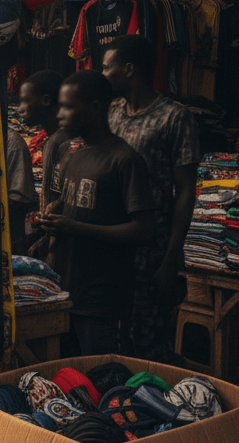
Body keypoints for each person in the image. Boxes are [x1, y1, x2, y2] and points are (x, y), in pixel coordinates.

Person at [37, 71, 154, 356]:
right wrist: (55, 214)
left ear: (96, 107)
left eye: (68, 106)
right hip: (66, 293)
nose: (60, 114)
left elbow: (144, 230)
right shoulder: (73, 157)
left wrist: (75, 227)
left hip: (103, 299)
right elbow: (79, 206)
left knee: (103, 378)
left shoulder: (124, 160)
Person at [102, 35, 200, 362]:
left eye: (107, 67)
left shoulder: (174, 117)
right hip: (115, 246)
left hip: (154, 250)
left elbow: (185, 189)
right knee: (115, 344)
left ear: (129, 69)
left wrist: (172, 258)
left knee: (150, 345)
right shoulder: (111, 112)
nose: (102, 75)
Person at [18, 70, 72, 207]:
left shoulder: (60, 142)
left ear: (46, 100)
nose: (20, 109)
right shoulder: (53, 139)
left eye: (25, 101)